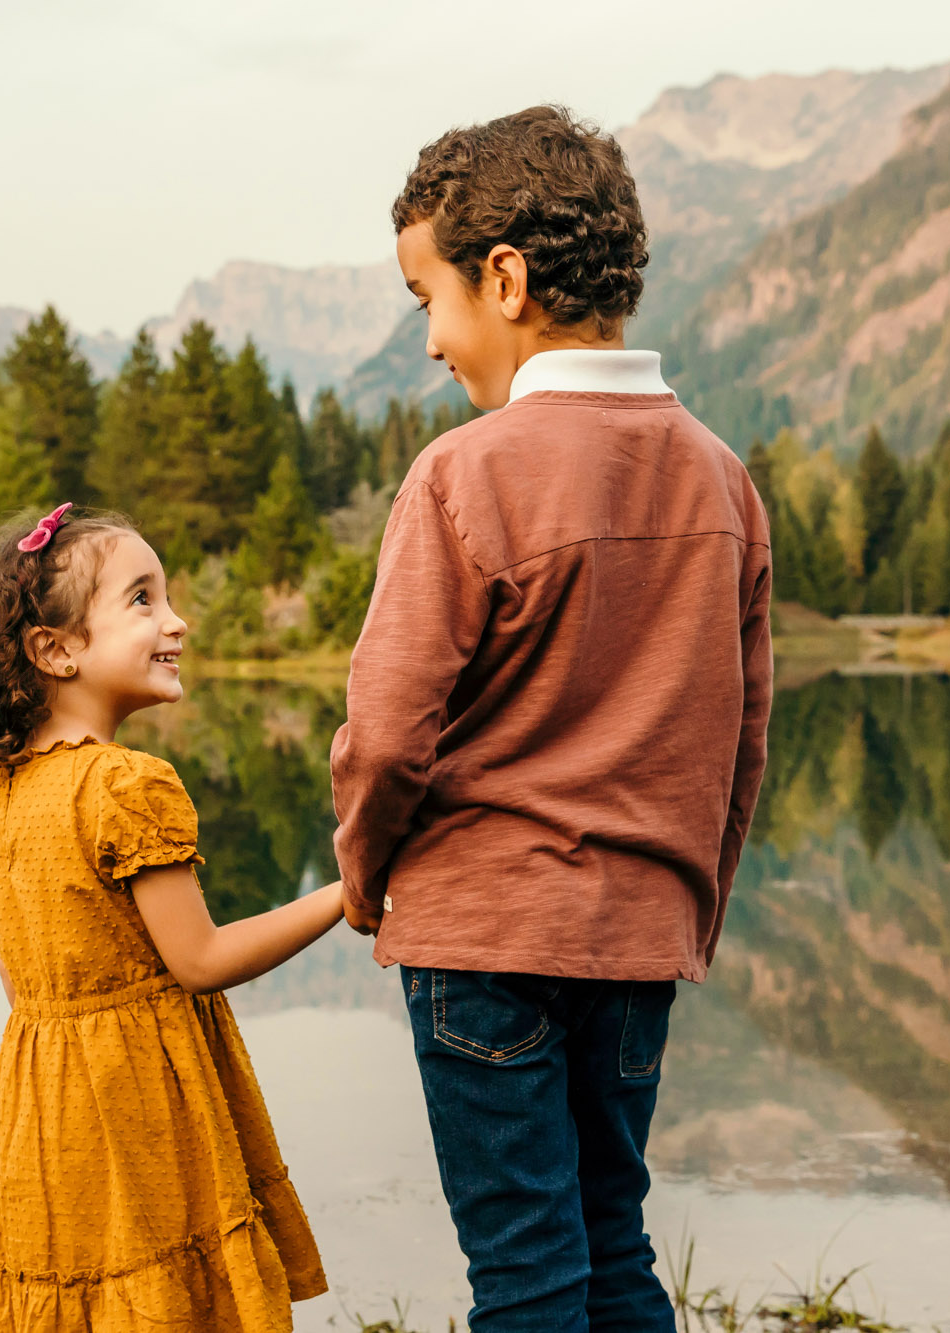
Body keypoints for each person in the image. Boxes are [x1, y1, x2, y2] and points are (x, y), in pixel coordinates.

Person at [330, 106, 774, 1333]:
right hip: (638, 935)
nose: (428, 343)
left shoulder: (465, 473)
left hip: (480, 939)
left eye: (428, 298)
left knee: (525, 1266)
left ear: (507, 281)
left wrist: (368, 877)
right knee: (612, 1241)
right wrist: (690, 901)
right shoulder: (722, 480)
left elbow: (385, 730)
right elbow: (740, 741)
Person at [0, 503, 335, 1333]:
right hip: (144, 1110)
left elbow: (22, 986)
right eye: (143, 599)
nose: (176, 620)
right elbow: (201, 959)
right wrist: (346, 896)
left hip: (41, 1122)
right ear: (56, 649)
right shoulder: (123, 784)